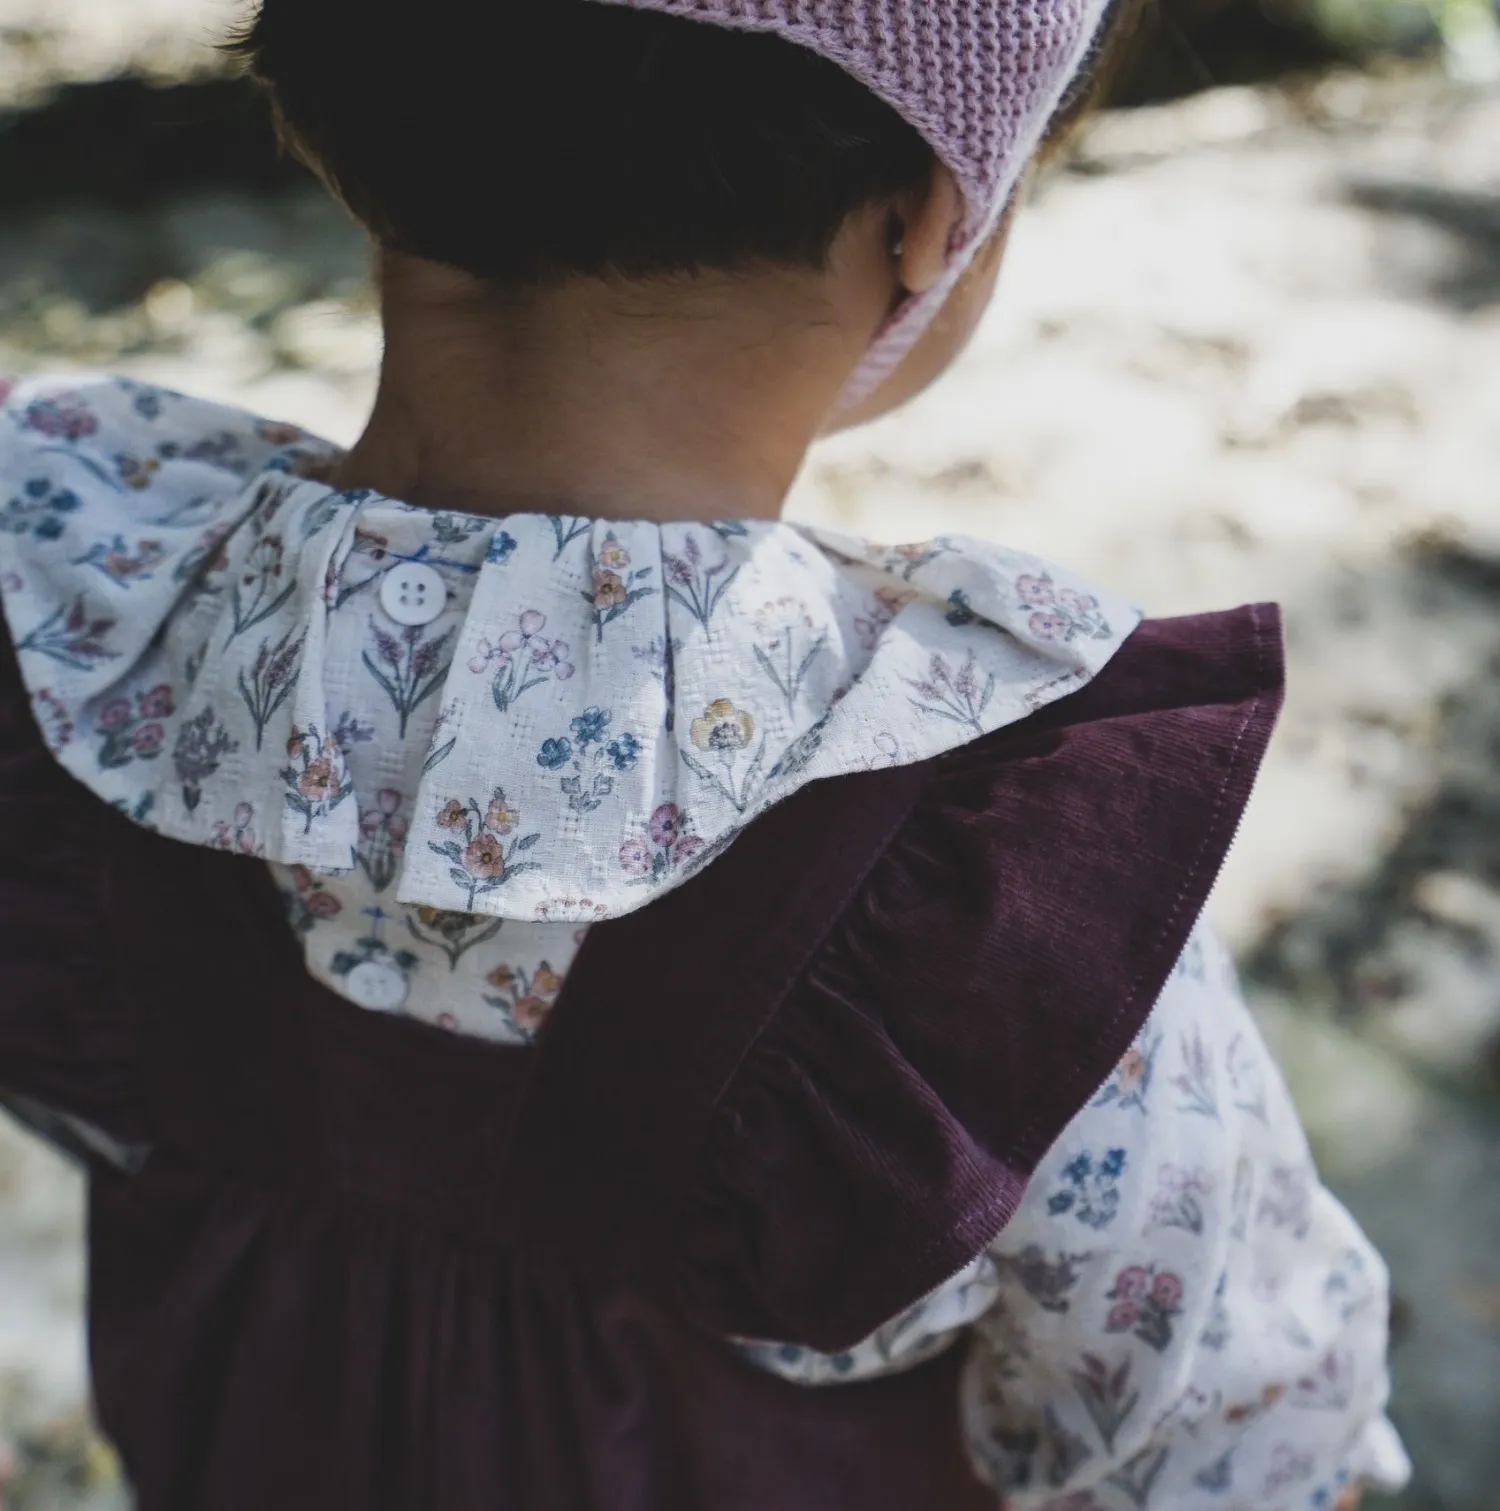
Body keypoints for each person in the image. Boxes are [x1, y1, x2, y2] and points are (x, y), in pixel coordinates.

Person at [0, 1, 1410, 1508]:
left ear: (338, 91)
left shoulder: (72, 630)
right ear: (938, 215)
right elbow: (1243, 1440)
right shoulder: (1000, 911)